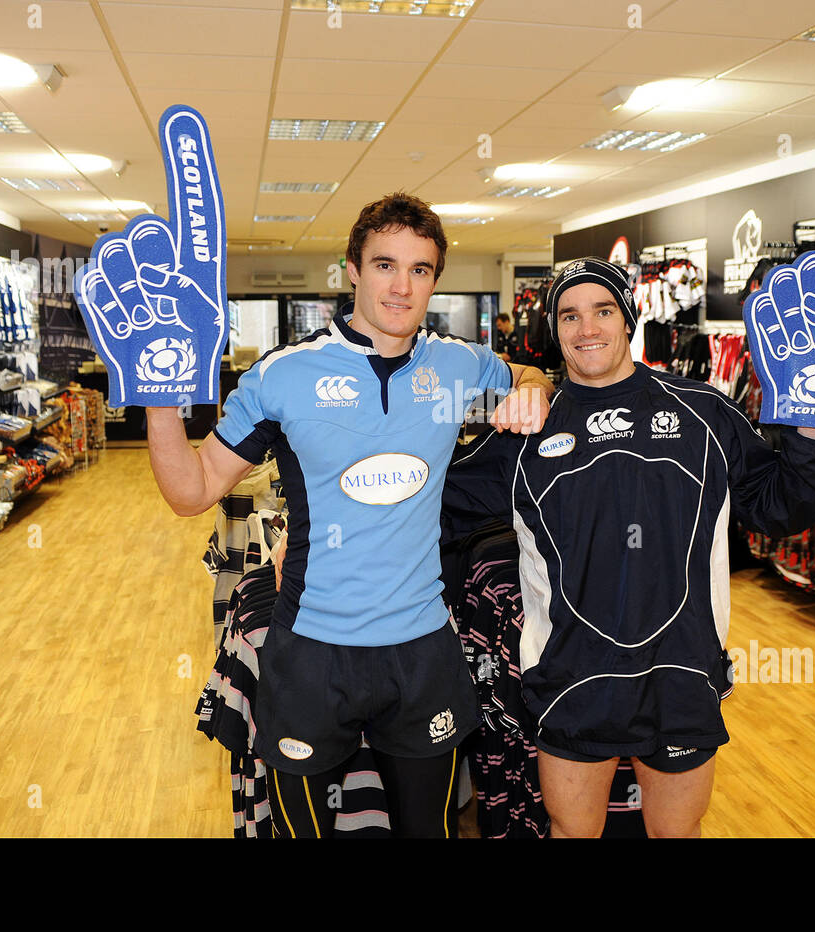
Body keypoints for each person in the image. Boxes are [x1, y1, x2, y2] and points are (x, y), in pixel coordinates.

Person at [146, 192, 553, 837]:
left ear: (435, 281)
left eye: (420, 270)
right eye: (385, 265)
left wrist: (531, 389)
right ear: (352, 270)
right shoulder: (282, 376)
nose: (401, 286)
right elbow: (190, 493)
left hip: (421, 648)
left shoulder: (456, 363)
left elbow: (528, 372)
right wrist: (157, 397)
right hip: (312, 651)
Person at [442, 256, 815, 838]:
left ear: (627, 318)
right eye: (570, 315)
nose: (587, 329)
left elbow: (782, 506)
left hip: (681, 672)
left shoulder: (702, 410)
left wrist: (814, 427)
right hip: (570, 677)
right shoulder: (526, 431)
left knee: (676, 833)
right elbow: (428, 511)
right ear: (553, 331)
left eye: (603, 310)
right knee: (572, 831)